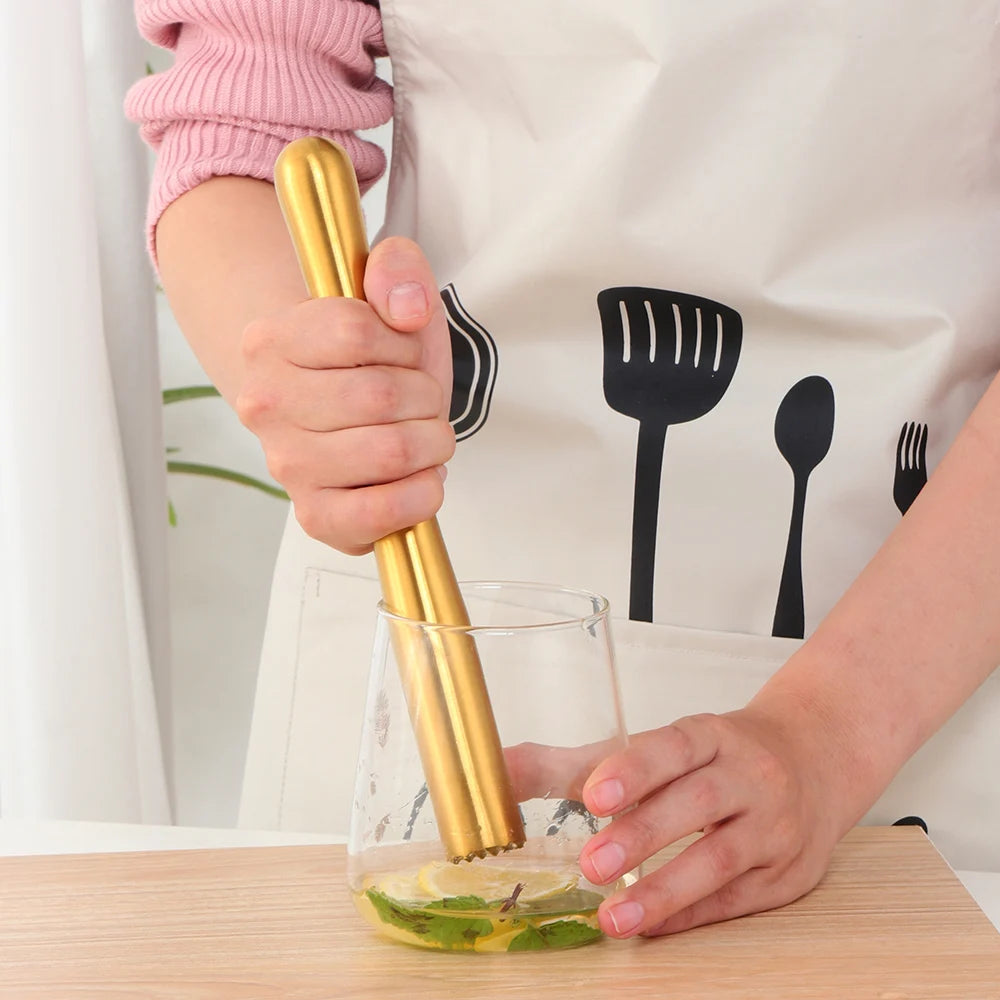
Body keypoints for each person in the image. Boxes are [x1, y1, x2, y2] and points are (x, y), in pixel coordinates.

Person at [127, 0, 1000, 939]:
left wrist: (831, 733)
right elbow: (237, 116)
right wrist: (315, 380)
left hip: (921, 641)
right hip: (437, 592)